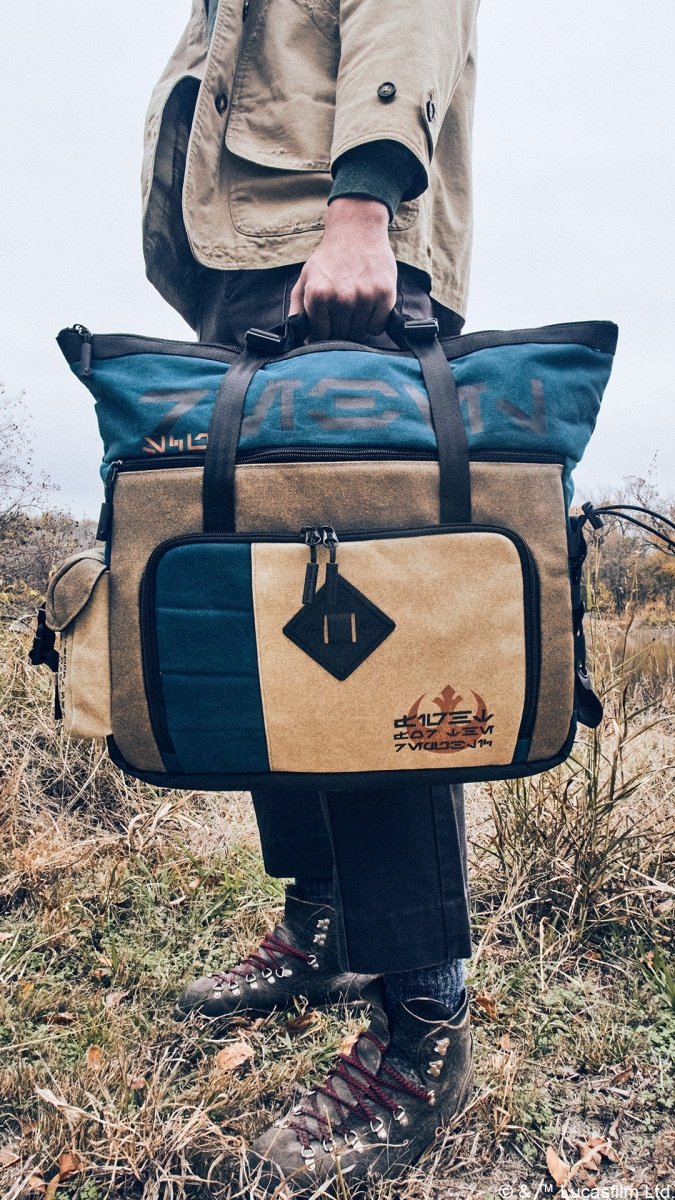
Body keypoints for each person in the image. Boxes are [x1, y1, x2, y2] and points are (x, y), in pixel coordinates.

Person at [143, 0, 480, 1190]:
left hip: (329, 243)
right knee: (267, 622)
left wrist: (362, 205)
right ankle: (323, 919)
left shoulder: (350, 223)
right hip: (253, 258)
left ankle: (425, 1017)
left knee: (366, 642)